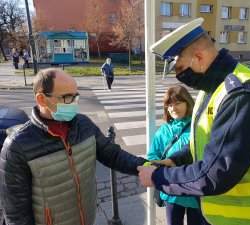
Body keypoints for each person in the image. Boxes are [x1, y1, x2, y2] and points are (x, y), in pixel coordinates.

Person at [138, 18, 250, 225]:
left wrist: (159, 177)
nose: (178, 75)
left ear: (198, 57)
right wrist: (174, 160)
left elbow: (216, 172)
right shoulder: (211, 89)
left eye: (180, 67)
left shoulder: (243, 96)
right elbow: (203, 142)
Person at [0, 68, 148, 225]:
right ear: (42, 100)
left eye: (75, 96)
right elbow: (16, 215)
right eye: (67, 97)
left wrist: (145, 165)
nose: (74, 103)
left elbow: (112, 155)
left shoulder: (84, 124)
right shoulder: (17, 146)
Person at [148, 85, 201, 225]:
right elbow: (153, 156)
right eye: (169, 105)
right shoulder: (164, 130)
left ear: (188, 103)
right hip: (172, 192)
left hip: (195, 190)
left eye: (177, 103)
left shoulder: (198, 126)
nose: (173, 108)